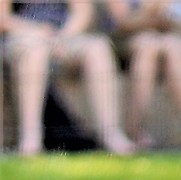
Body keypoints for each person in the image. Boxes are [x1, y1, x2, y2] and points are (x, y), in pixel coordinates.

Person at [2, 0, 137, 154]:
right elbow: (3, 18)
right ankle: (30, 138)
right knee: (35, 52)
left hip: (60, 39)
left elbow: (83, 12)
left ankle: (111, 134)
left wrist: (63, 37)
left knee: (98, 47)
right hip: (22, 38)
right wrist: (35, 31)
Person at [103, 0, 181, 150]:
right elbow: (122, 23)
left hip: (160, 37)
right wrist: (150, 11)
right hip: (125, 42)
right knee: (148, 46)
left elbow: (178, 17)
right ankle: (134, 127)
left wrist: (166, 14)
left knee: (174, 44)